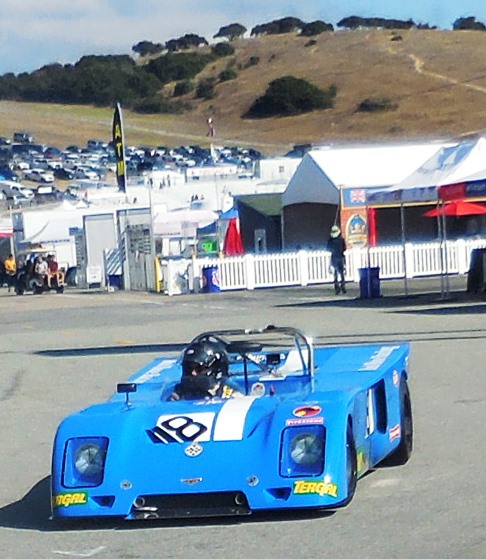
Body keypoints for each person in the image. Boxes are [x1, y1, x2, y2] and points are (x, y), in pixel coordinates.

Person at [168, 339, 242, 401]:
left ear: (216, 369)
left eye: (198, 368)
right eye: (189, 368)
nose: (193, 373)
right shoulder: (179, 393)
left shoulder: (231, 395)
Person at [327, 225, 347, 295]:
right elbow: (344, 248)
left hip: (334, 257)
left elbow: (328, 248)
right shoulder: (341, 240)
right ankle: (343, 286)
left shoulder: (331, 241)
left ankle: (337, 288)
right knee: (342, 273)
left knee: (335, 274)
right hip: (340, 257)